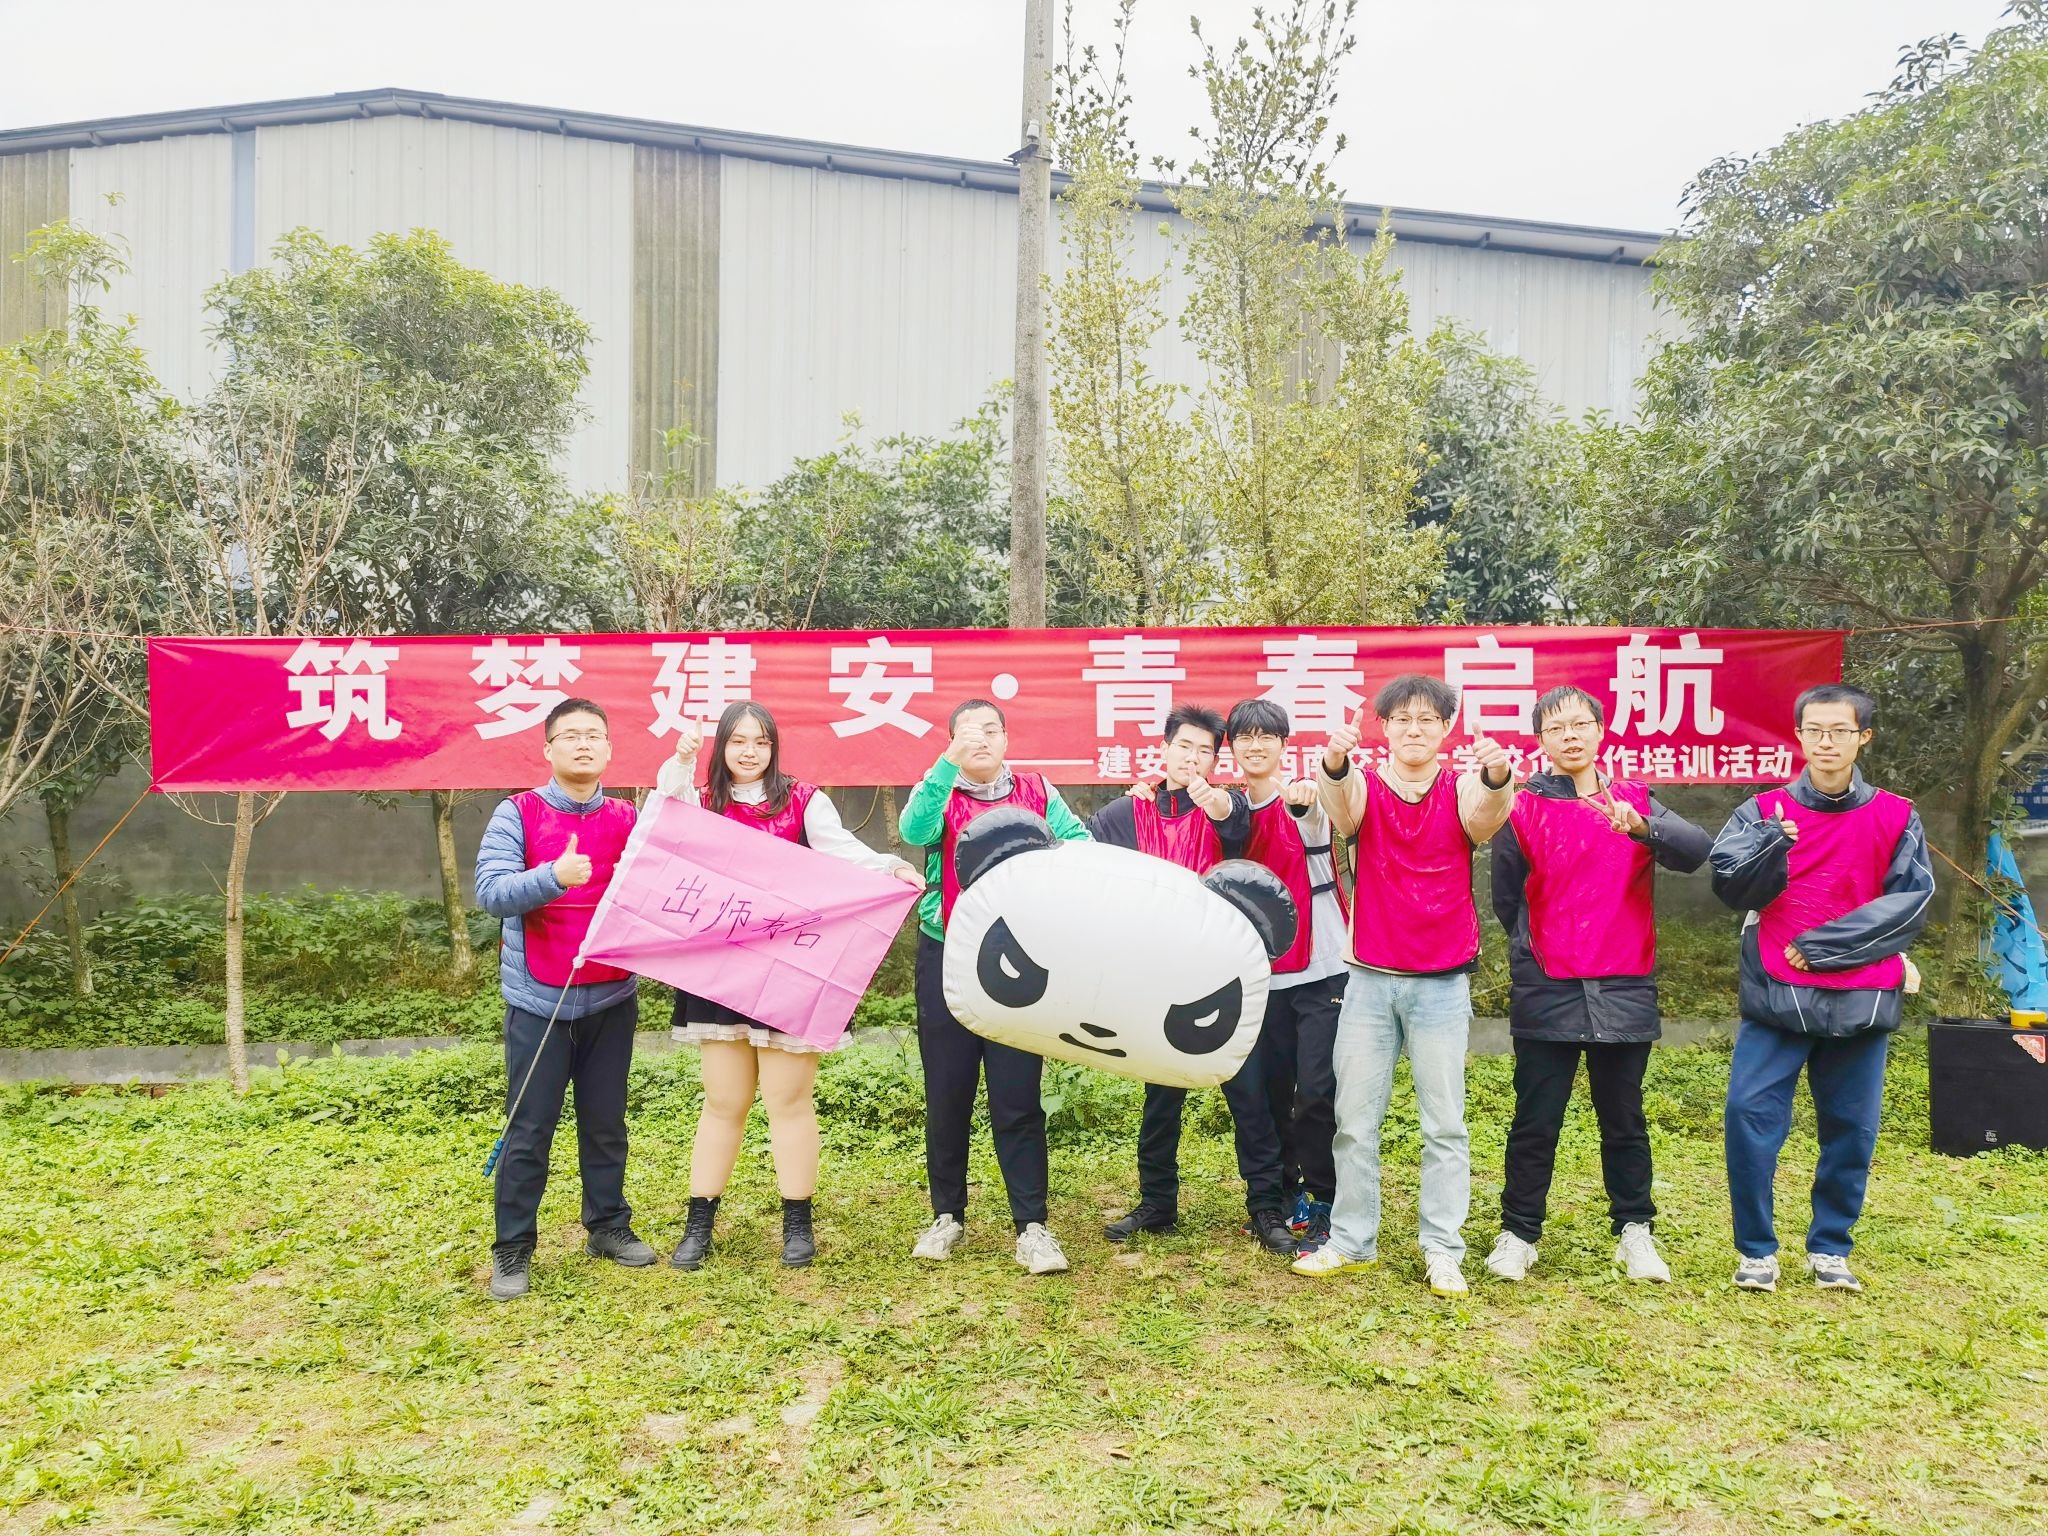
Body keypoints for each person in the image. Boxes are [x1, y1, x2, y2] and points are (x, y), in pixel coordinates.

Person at [653, 703, 923, 1272]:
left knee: (788, 1100)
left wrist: (890, 868)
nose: (750, 752)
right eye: (738, 741)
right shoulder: (703, 800)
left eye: (761, 742)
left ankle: (797, 1223)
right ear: (721, 747)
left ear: (774, 748)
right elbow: (665, 820)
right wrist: (680, 761)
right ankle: (699, 1223)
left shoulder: (803, 800)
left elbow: (844, 852)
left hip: (790, 969)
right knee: (723, 1101)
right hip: (721, 968)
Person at [1291, 674, 1514, 1296]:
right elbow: (1341, 807)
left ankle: (1443, 1247)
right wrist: (1335, 762)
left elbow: (1486, 815)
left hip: (1441, 982)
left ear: (1446, 728)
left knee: (1444, 1125)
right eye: (1401, 719)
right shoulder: (1364, 785)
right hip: (1368, 979)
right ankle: (1351, 1240)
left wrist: (1498, 774)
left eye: (1427, 719)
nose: (1414, 730)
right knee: (1353, 1121)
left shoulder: (1462, 786)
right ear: (1384, 728)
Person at [1484, 685, 1712, 1286]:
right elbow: (1507, 898)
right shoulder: (1521, 807)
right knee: (1536, 1119)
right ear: (1541, 740)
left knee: (1624, 1118)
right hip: (1548, 985)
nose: (1570, 736)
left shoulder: (1634, 799)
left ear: (1600, 730)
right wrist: (1534, 951)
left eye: (1580, 724)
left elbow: (1697, 851)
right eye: (1556, 728)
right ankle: (1519, 1233)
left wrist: (1644, 829)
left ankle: (1635, 1232)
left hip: (1623, 983)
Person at [1709, 683, 1932, 1293]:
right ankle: (1756, 1250)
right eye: (1814, 730)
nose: (1826, 742)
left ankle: (1830, 1247)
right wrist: (1772, 844)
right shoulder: (1763, 810)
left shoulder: (1896, 815)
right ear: (1799, 735)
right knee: (1748, 1117)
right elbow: (1730, 886)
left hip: (1861, 994)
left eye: (1840, 730)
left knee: (1852, 1128)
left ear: (1864, 737)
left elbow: (1911, 901)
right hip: (1776, 994)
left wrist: (1821, 947)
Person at [897, 698, 1092, 1274]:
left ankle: (1032, 1226)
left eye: (989, 730)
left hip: (1019, 958)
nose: (978, 739)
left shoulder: (1036, 790)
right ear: (950, 742)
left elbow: (1079, 844)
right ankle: (947, 1216)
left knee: (1017, 1094)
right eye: (966, 732)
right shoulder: (939, 791)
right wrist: (944, 766)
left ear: (1007, 739)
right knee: (947, 1091)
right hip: (947, 950)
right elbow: (912, 829)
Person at [473, 697, 655, 1301]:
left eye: (593, 735)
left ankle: (607, 1225)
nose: (583, 744)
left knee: (605, 1123)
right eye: (570, 735)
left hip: (611, 997)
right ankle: (513, 1247)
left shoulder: (628, 817)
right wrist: (554, 876)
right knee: (529, 1128)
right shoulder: (517, 812)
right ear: (548, 749)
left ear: (608, 750)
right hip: (538, 1001)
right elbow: (491, 892)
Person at [1090, 704, 1290, 1253]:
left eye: (1205, 751)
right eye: (1185, 746)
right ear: (1165, 747)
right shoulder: (1126, 812)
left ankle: (1266, 1207)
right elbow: (1088, 864)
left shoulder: (1229, 805)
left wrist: (1210, 798)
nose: (1193, 758)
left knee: (1248, 1093)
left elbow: (1232, 818)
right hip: (1155, 977)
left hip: (1222, 975)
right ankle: (1157, 1201)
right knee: (1161, 1095)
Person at [1222, 697, 1352, 1254]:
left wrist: (1307, 796)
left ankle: (1325, 1199)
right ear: (1231, 747)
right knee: (1267, 1092)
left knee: (1318, 1091)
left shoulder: (1305, 796)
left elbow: (1315, 811)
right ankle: (1277, 1196)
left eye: (1266, 736)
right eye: (1244, 737)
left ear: (1283, 744)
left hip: (1322, 968)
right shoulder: (1227, 809)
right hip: (1257, 972)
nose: (1255, 746)